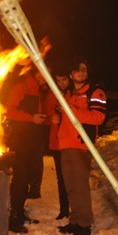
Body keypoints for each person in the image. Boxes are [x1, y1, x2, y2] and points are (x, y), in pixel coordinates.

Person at [57, 57, 107, 235]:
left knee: (80, 186)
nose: (80, 73)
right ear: (71, 74)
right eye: (77, 70)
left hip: (81, 145)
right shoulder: (69, 93)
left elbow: (98, 117)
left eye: (84, 69)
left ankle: (84, 225)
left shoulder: (95, 92)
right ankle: (76, 220)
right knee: (71, 186)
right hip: (66, 145)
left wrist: (72, 110)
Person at [4, 66, 48, 233]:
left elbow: (39, 114)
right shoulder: (20, 88)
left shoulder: (40, 91)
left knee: (28, 177)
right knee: (20, 178)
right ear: (35, 73)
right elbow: (10, 111)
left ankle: (19, 212)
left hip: (34, 141)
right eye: (43, 73)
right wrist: (31, 118)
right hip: (20, 141)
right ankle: (13, 217)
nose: (45, 76)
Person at [43, 68, 71, 220]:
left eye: (64, 80)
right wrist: (51, 119)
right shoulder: (51, 95)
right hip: (57, 142)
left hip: (71, 142)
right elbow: (46, 117)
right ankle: (64, 209)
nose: (61, 84)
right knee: (61, 178)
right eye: (58, 81)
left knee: (72, 177)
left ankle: (76, 209)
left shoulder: (73, 94)